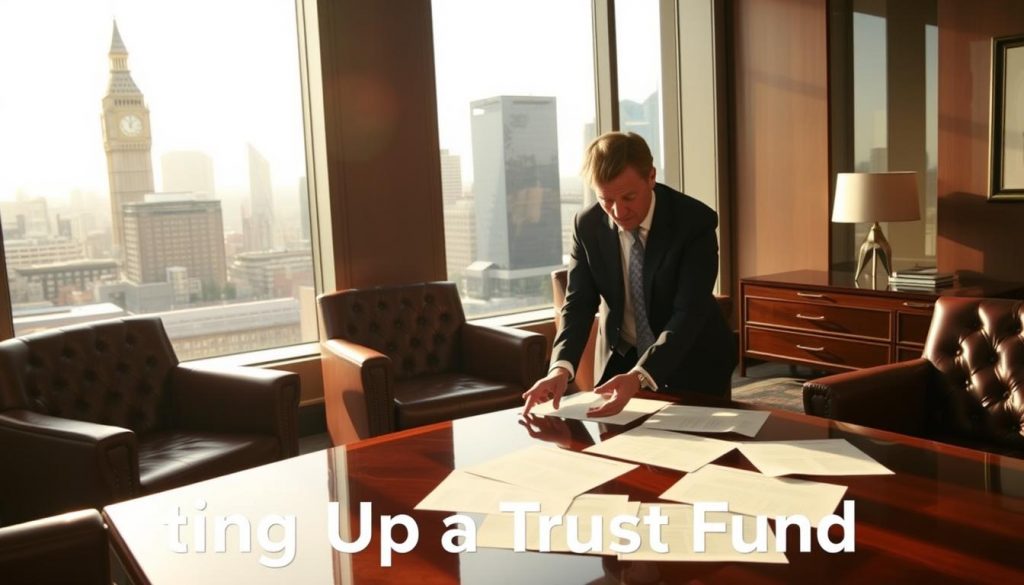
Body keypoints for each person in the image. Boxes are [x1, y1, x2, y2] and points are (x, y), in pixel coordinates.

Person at [522, 132, 736, 417]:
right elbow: (578, 304)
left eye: (629, 197)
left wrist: (641, 376)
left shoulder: (694, 223)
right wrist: (560, 368)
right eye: (606, 199)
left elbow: (688, 314)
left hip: (692, 359)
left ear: (651, 177)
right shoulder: (587, 226)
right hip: (620, 361)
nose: (618, 211)